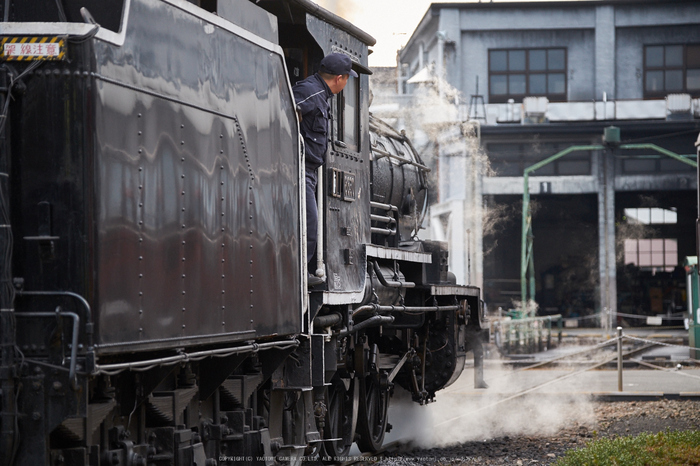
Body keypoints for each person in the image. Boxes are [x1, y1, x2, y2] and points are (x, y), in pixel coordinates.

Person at [293, 52, 358, 287]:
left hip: (309, 171)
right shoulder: (311, 91)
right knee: (309, 225)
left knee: (311, 224)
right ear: (339, 78)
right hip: (300, 170)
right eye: (348, 78)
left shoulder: (320, 94)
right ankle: (299, 276)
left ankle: (302, 274)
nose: (347, 83)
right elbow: (287, 110)